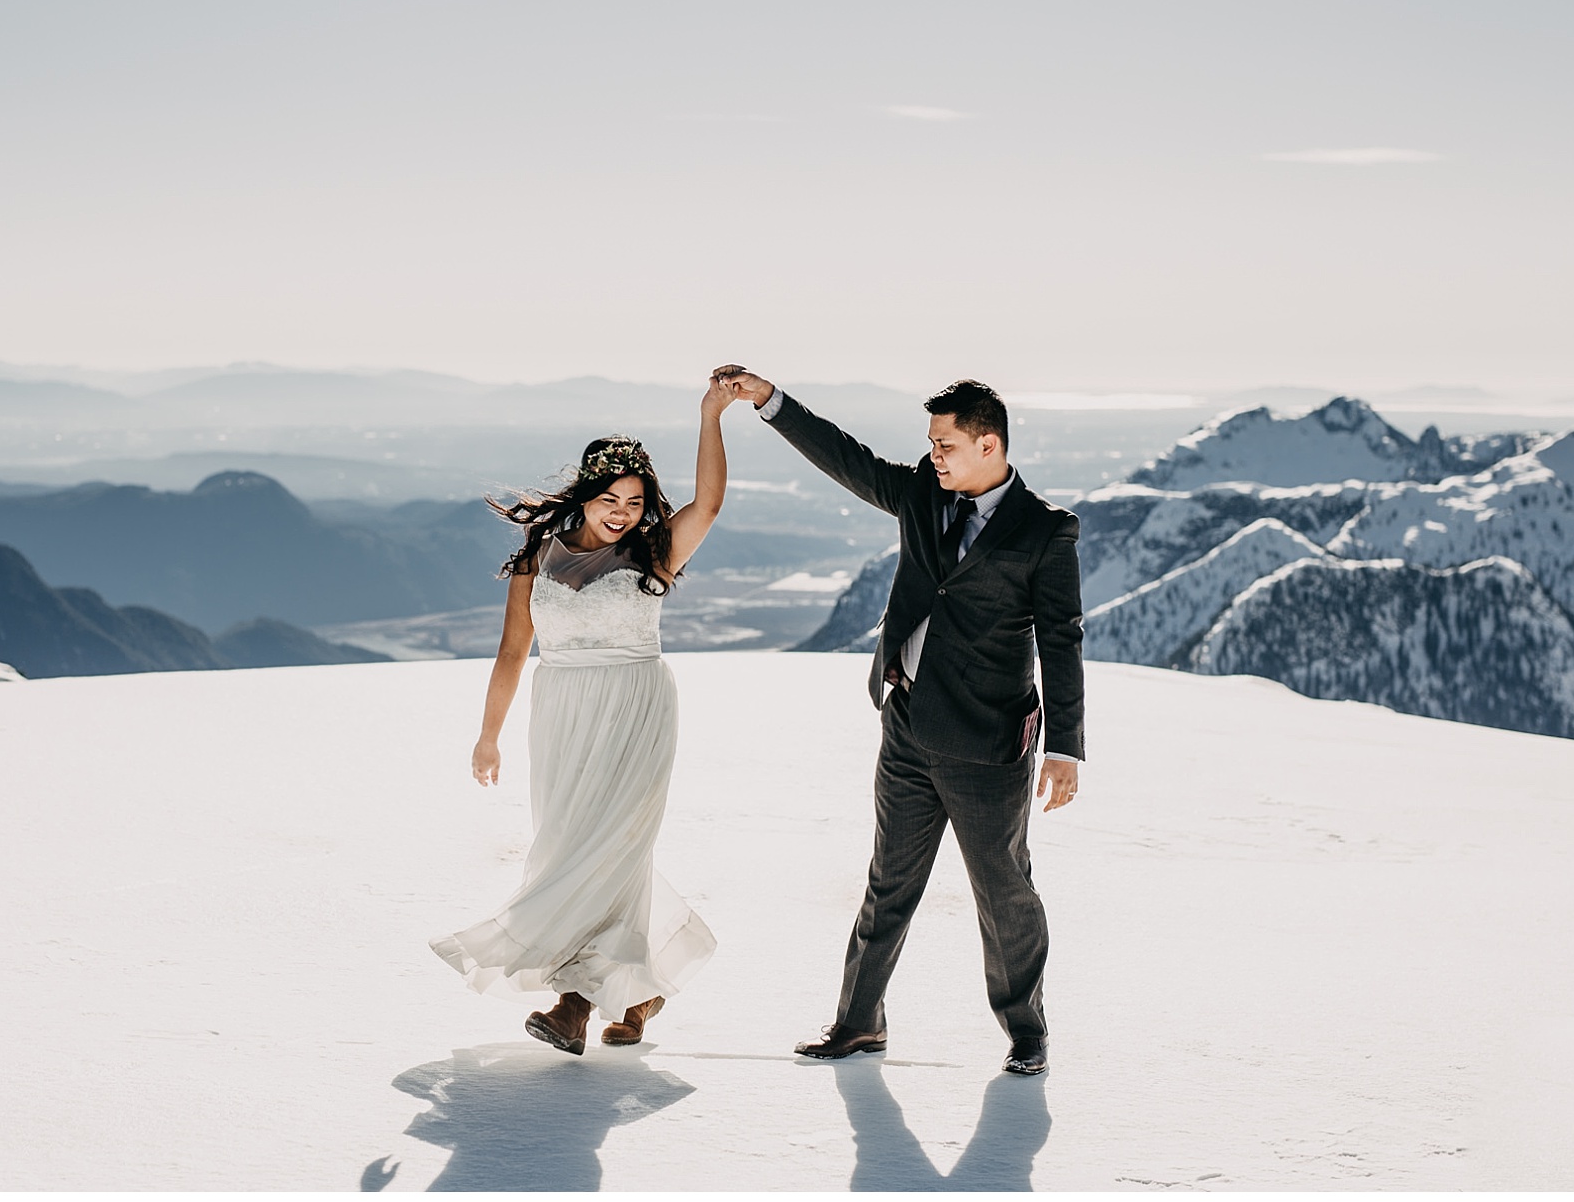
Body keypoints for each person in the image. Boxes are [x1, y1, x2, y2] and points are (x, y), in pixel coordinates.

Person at [717, 367, 1084, 1077]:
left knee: (1004, 892)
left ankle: (1027, 1031)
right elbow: (846, 458)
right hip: (908, 727)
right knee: (888, 882)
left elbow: (1061, 638)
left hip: (987, 745)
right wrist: (770, 402)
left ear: (988, 444)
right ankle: (859, 1022)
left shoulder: (1045, 530)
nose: (934, 455)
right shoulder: (922, 490)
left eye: (945, 444)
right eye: (931, 444)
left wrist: (1065, 746)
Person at [430, 372, 742, 1055]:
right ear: (585, 496)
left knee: (614, 845)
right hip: (562, 712)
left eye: (635, 500)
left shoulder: (653, 551)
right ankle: (639, 988)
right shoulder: (539, 558)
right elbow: (514, 651)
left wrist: (710, 414)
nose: (623, 511)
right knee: (570, 850)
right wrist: (489, 736)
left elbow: (710, 503)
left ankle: (573, 1001)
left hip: (636, 706)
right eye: (610, 498)